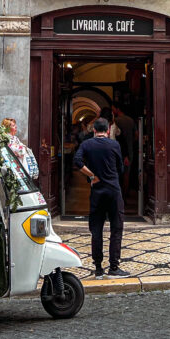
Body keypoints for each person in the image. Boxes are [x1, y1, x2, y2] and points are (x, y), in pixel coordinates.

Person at [73, 118, 129, 278]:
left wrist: (92, 176)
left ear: (94, 130)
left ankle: (98, 268)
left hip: (97, 192)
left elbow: (77, 161)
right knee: (116, 228)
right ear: (108, 130)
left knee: (96, 230)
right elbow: (121, 168)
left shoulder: (87, 144)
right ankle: (114, 267)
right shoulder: (114, 145)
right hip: (113, 191)